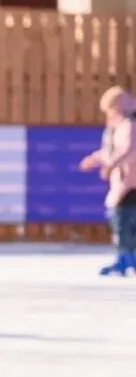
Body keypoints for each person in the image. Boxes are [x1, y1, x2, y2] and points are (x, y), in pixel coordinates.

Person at [79, 86, 136, 277]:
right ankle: (125, 258)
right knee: (120, 221)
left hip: (130, 184)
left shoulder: (130, 124)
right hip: (123, 183)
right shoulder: (117, 127)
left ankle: (128, 258)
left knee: (124, 220)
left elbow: (129, 149)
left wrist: (111, 165)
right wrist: (95, 159)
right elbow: (111, 150)